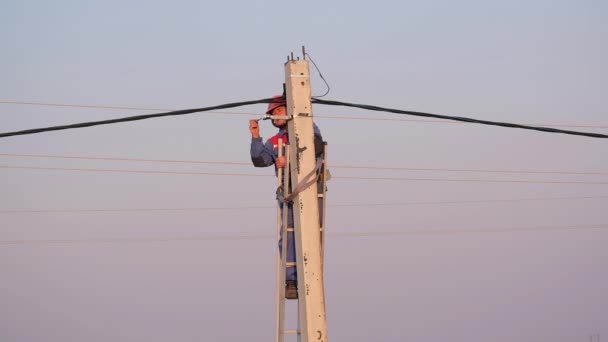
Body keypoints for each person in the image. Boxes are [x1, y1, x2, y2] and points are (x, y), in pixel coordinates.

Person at [249, 95, 324, 300]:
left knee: (310, 234)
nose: (274, 116)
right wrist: (256, 137)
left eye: (278, 111)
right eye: (272, 113)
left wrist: (289, 158)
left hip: (309, 189)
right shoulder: (275, 141)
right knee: (288, 237)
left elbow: (315, 147)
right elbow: (260, 160)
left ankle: (311, 276)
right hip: (287, 193)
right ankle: (291, 280)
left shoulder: (307, 128)